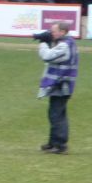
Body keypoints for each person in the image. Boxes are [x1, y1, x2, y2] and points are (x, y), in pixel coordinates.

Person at [36, 21, 78, 154]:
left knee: (56, 115)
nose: (50, 33)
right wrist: (49, 43)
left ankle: (60, 145)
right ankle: (53, 143)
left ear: (62, 32)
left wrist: (43, 43)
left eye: (53, 31)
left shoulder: (65, 45)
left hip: (61, 85)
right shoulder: (65, 43)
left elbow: (47, 56)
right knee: (55, 113)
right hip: (60, 84)